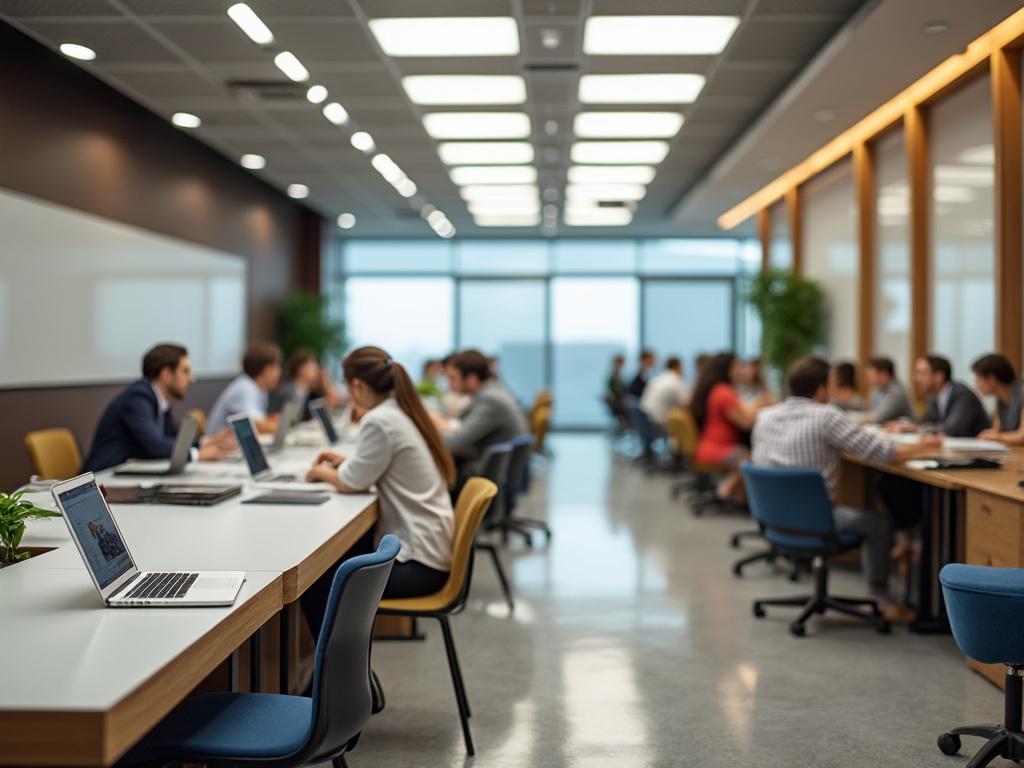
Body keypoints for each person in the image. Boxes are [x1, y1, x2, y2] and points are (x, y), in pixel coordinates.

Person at [752, 356, 942, 620]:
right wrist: (926, 445)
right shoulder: (826, 416)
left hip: (773, 520)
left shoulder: (764, 417)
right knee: (880, 524)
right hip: (817, 522)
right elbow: (883, 452)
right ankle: (882, 599)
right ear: (820, 389)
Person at [303, 346, 456, 640]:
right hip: (430, 551)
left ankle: (328, 680)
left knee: (316, 581)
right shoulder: (400, 410)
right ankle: (330, 677)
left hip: (419, 564)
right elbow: (368, 468)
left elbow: (351, 482)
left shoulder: (379, 420)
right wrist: (344, 462)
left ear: (357, 386)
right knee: (331, 566)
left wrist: (320, 472)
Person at [82, 343, 231, 472]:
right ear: (166, 374)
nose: (192, 378)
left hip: (129, 476)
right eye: (185, 371)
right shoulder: (137, 398)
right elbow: (157, 446)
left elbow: (171, 441)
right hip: (104, 481)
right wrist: (198, 454)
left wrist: (205, 442)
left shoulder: (159, 400)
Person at [438, 349, 529, 481]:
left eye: (453, 378)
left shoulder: (490, 400)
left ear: (471, 379)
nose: (449, 384)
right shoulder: (491, 391)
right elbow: (462, 420)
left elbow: (455, 443)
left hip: (481, 478)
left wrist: (425, 433)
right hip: (493, 470)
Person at [691, 352, 769, 500]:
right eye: (737, 366)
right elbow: (746, 422)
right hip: (718, 449)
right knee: (753, 456)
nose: (741, 370)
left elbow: (741, 411)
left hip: (709, 445)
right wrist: (763, 405)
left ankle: (735, 493)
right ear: (726, 369)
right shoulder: (723, 392)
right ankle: (727, 490)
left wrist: (758, 403)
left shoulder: (719, 389)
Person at [890, 354, 990, 436]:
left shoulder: (962, 395)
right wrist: (907, 426)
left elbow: (953, 429)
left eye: (922, 374)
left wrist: (918, 428)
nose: (917, 379)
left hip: (974, 456)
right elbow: (927, 422)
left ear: (939, 376)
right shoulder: (933, 396)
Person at [207, 342, 283, 435]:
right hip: (216, 446)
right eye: (276, 368)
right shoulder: (244, 388)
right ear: (265, 370)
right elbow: (255, 426)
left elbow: (259, 420)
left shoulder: (260, 390)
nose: (279, 373)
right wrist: (281, 426)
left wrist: (271, 420)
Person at [973, 353, 1024, 445]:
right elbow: (997, 430)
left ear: (992, 378)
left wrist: (998, 437)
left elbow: (1022, 436)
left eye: (978, 379)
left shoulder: (1021, 392)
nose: (977, 385)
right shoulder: (1000, 398)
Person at [269, 348, 321, 419]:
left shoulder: (307, 391)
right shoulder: (285, 391)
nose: (317, 371)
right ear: (301, 369)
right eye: (313, 368)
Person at [640, 356, 690, 428]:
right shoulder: (676, 381)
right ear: (677, 367)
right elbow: (686, 404)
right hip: (658, 423)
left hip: (646, 420)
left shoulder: (657, 379)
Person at [863, 356, 914, 423]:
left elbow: (877, 417)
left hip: (904, 432)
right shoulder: (877, 390)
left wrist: (857, 418)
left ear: (884, 374)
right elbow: (871, 412)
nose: (868, 378)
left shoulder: (896, 392)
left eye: (871, 375)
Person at [603, 354, 628, 428]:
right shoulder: (614, 376)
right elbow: (618, 391)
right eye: (621, 363)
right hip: (618, 405)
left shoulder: (616, 375)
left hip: (617, 403)